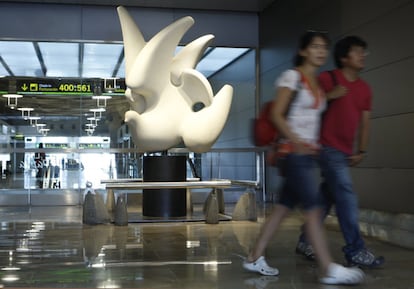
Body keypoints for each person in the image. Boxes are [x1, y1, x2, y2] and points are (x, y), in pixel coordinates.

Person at [242, 31, 364, 285]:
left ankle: (255, 256)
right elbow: (277, 114)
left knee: (283, 208)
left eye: (324, 48)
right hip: (293, 153)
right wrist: (296, 142)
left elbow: (309, 115)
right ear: (303, 51)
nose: (321, 52)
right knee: (313, 209)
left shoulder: (316, 84)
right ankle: (328, 268)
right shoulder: (292, 77)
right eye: (315, 47)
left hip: (306, 154)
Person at [295, 36, 385, 268]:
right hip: (326, 146)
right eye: (357, 52)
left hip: (345, 151)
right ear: (344, 57)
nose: (362, 56)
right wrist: (328, 96)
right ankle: (355, 250)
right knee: (346, 194)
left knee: (328, 196)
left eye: (364, 52)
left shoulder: (364, 88)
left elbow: (365, 123)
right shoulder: (328, 79)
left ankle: (306, 240)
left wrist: (361, 150)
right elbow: (305, 104)